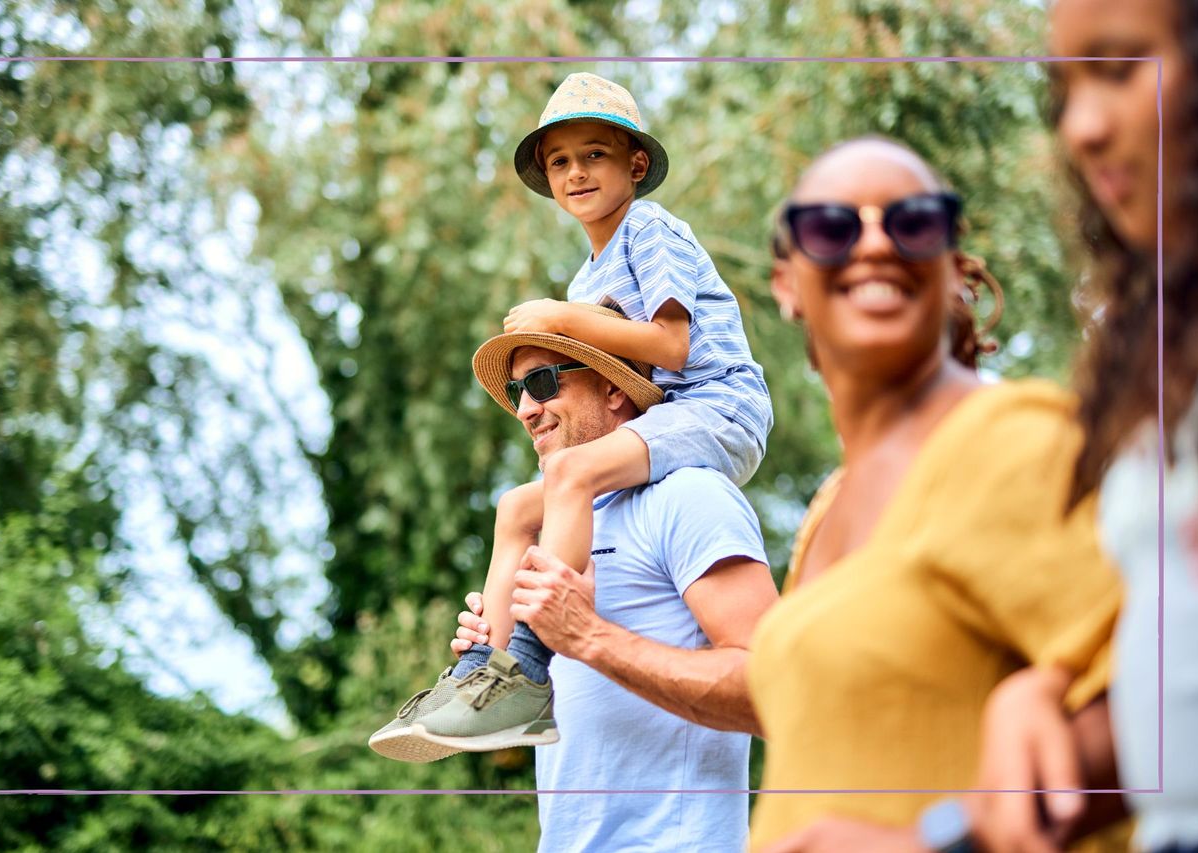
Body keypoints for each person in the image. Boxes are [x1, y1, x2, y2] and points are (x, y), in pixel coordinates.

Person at [371, 71, 773, 753]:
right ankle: (485, 671)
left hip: (717, 404)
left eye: (594, 154)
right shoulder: (588, 278)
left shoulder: (650, 229)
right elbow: (626, 368)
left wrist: (559, 316)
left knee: (571, 474)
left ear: (635, 164)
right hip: (661, 413)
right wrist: (493, 618)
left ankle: (526, 664)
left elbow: (673, 345)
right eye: (559, 161)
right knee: (515, 510)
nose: (575, 172)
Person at [745, 136, 1123, 852]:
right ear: (786, 284)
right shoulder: (828, 509)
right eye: (832, 228)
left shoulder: (1011, 440)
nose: (877, 244)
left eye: (914, 221)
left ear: (953, 270)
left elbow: (1168, 698)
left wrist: (939, 838)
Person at [387, 306, 778, 851]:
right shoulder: (552, 524)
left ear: (615, 390)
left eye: (544, 383)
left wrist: (588, 638)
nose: (525, 409)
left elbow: (778, 694)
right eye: (517, 389)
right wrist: (493, 654)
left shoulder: (689, 496)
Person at [969, 1, 1198, 850]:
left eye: (1117, 68)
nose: (1082, 128)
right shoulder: (1155, 352)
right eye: (1065, 87)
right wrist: (1047, 700)